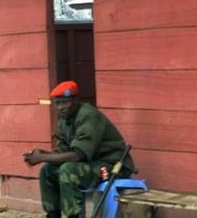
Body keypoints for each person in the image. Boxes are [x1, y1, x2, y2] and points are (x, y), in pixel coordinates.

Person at [23, 81, 135, 218]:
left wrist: (42, 158)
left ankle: (73, 216)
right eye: (58, 103)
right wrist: (43, 154)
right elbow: (64, 150)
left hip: (113, 165)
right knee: (47, 170)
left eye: (65, 102)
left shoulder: (88, 116)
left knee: (68, 171)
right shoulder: (65, 120)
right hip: (91, 163)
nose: (61, 107)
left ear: (76, 100)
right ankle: (53, 214)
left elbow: (78, 155)